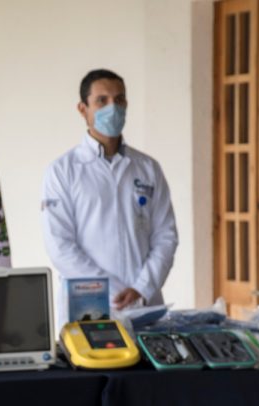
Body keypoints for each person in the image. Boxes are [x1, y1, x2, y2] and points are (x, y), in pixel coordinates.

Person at [40, 68, 178, 329]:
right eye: (102, 100)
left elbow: (166, 236)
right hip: (89, 307)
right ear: (83, 109)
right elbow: (60, 245)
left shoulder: (147, 167)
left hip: (145, 306)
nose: (113, 107)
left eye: (120, 99)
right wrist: (112, 291)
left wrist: (141, 288)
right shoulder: (62, 171)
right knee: (93, 365)